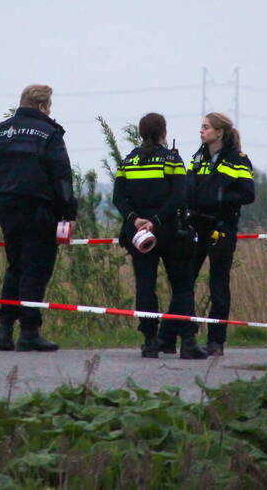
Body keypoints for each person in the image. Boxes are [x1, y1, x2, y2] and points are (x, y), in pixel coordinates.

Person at [0, 84, 77, 352]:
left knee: (15, 267)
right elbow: (61, 177)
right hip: (39, 210)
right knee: (36, 269)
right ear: (42, 106)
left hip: (6, 209)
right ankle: (29, 332)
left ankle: (4, 329)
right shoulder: (49, 133)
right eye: (49, 107)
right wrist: (68, 212)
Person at [112, 113, 208, 360]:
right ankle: (187, 342)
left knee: (145, 286)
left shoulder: (128, 161)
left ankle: (150, 342)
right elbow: (179, 196)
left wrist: (135, 220)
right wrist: (155, 221)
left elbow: (118, 198)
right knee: (183, 286)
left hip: (138, 235)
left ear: (141, 133)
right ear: (163, 132)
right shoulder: (171, 159)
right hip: (170, 232)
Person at [159, 112, 255, 357]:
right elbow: (188, 187)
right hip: (196, 226)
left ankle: (216, 341)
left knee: (218, 285)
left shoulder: (238, 159)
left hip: (222, 228)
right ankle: (171, 337)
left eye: (206, 127)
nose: (201, 131)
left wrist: (220, 198)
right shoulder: (198, 157)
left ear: (219, 132)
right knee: (185, 282)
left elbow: (248, 194)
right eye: (201, 127)